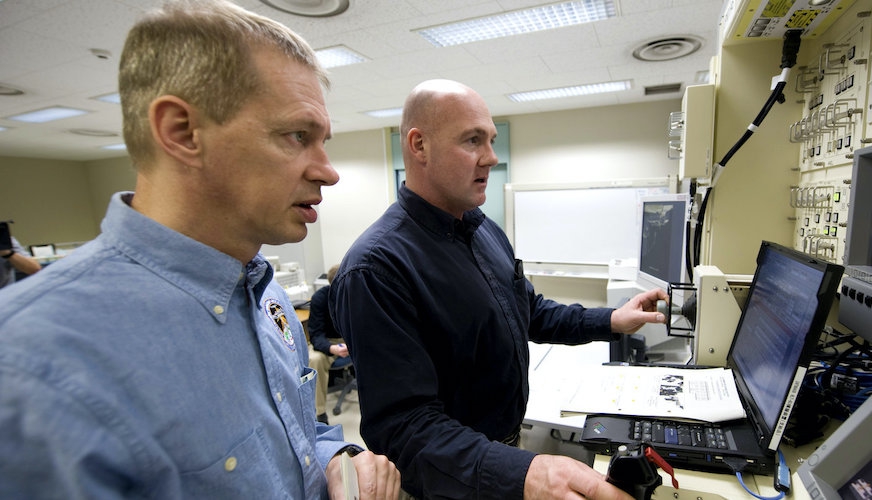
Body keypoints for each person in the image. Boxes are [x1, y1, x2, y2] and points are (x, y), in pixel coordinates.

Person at [0, 1, 399, 498]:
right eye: (298, 136)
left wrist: (339, 460)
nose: (328, 170)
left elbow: (298, 439)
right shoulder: (32, 363)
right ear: (182, 132)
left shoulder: (264, 294)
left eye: (323, 141)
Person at [330, 79, 669, 499]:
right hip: (447, 482)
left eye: (490, 139)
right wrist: (523, 474)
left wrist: (613, 320)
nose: (491, 157)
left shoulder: (483, 229)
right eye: (473, 140)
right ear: (419, 146)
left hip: (502, 456)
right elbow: (405, 428)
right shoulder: (376, 268)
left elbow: (530, 309)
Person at [308, 264, 352, 423]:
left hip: (352, 339)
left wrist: (353, 342)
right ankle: (319, 413)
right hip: (330, 342)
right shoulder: (320, 298)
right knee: (314, 359)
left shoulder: (356, 295)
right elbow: (315, 334)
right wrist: (331, 348)